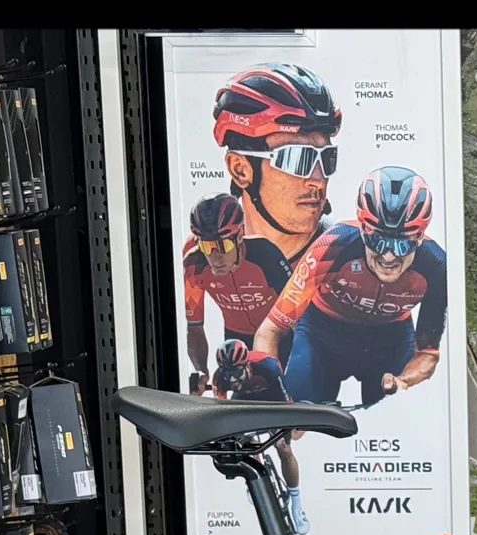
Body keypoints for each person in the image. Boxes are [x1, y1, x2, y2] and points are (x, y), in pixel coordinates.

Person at [184, 63, 341, 389]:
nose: (318, 179)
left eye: (327, 159)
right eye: (297, 159)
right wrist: (200, 370)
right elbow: (194, 325)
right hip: (237, 345)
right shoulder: (196, 255)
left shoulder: (341, 250)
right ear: (241, 169)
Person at [254, 166, 447, 410]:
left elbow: (427, 354)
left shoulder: (437, 266)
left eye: (402, 245)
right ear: (363, 229)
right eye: (377, 240)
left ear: (419, 238)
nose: (388, 256)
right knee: (297, 414)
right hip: (321, 332)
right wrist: (273, 393)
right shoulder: (334, 246)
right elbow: (270, 330)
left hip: (390, 338)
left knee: (394, 416)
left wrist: (403, 382)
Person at [182, 195, 296, 394]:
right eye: (206, 246)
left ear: (240, 234)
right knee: (244, 404)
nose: (215, 257)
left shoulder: (265, 255)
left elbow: (298, 309)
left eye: (223, 245)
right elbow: (195, 327)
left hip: (280, 336)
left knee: (285, 397)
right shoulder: (194, 265)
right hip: (237, 339)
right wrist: (201, 370)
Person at [210, 338, 305, 530]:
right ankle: (254, 475)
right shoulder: (219, 378)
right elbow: (220, 413)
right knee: (241, 438)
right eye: (227, 374)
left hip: (271, 399)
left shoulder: (268, 367)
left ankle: (297, 504)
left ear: (247, 366)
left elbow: (286, 402)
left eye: (236, 373)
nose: (232, 380)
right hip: (244, 400)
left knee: (284, 449)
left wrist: (286, 428)